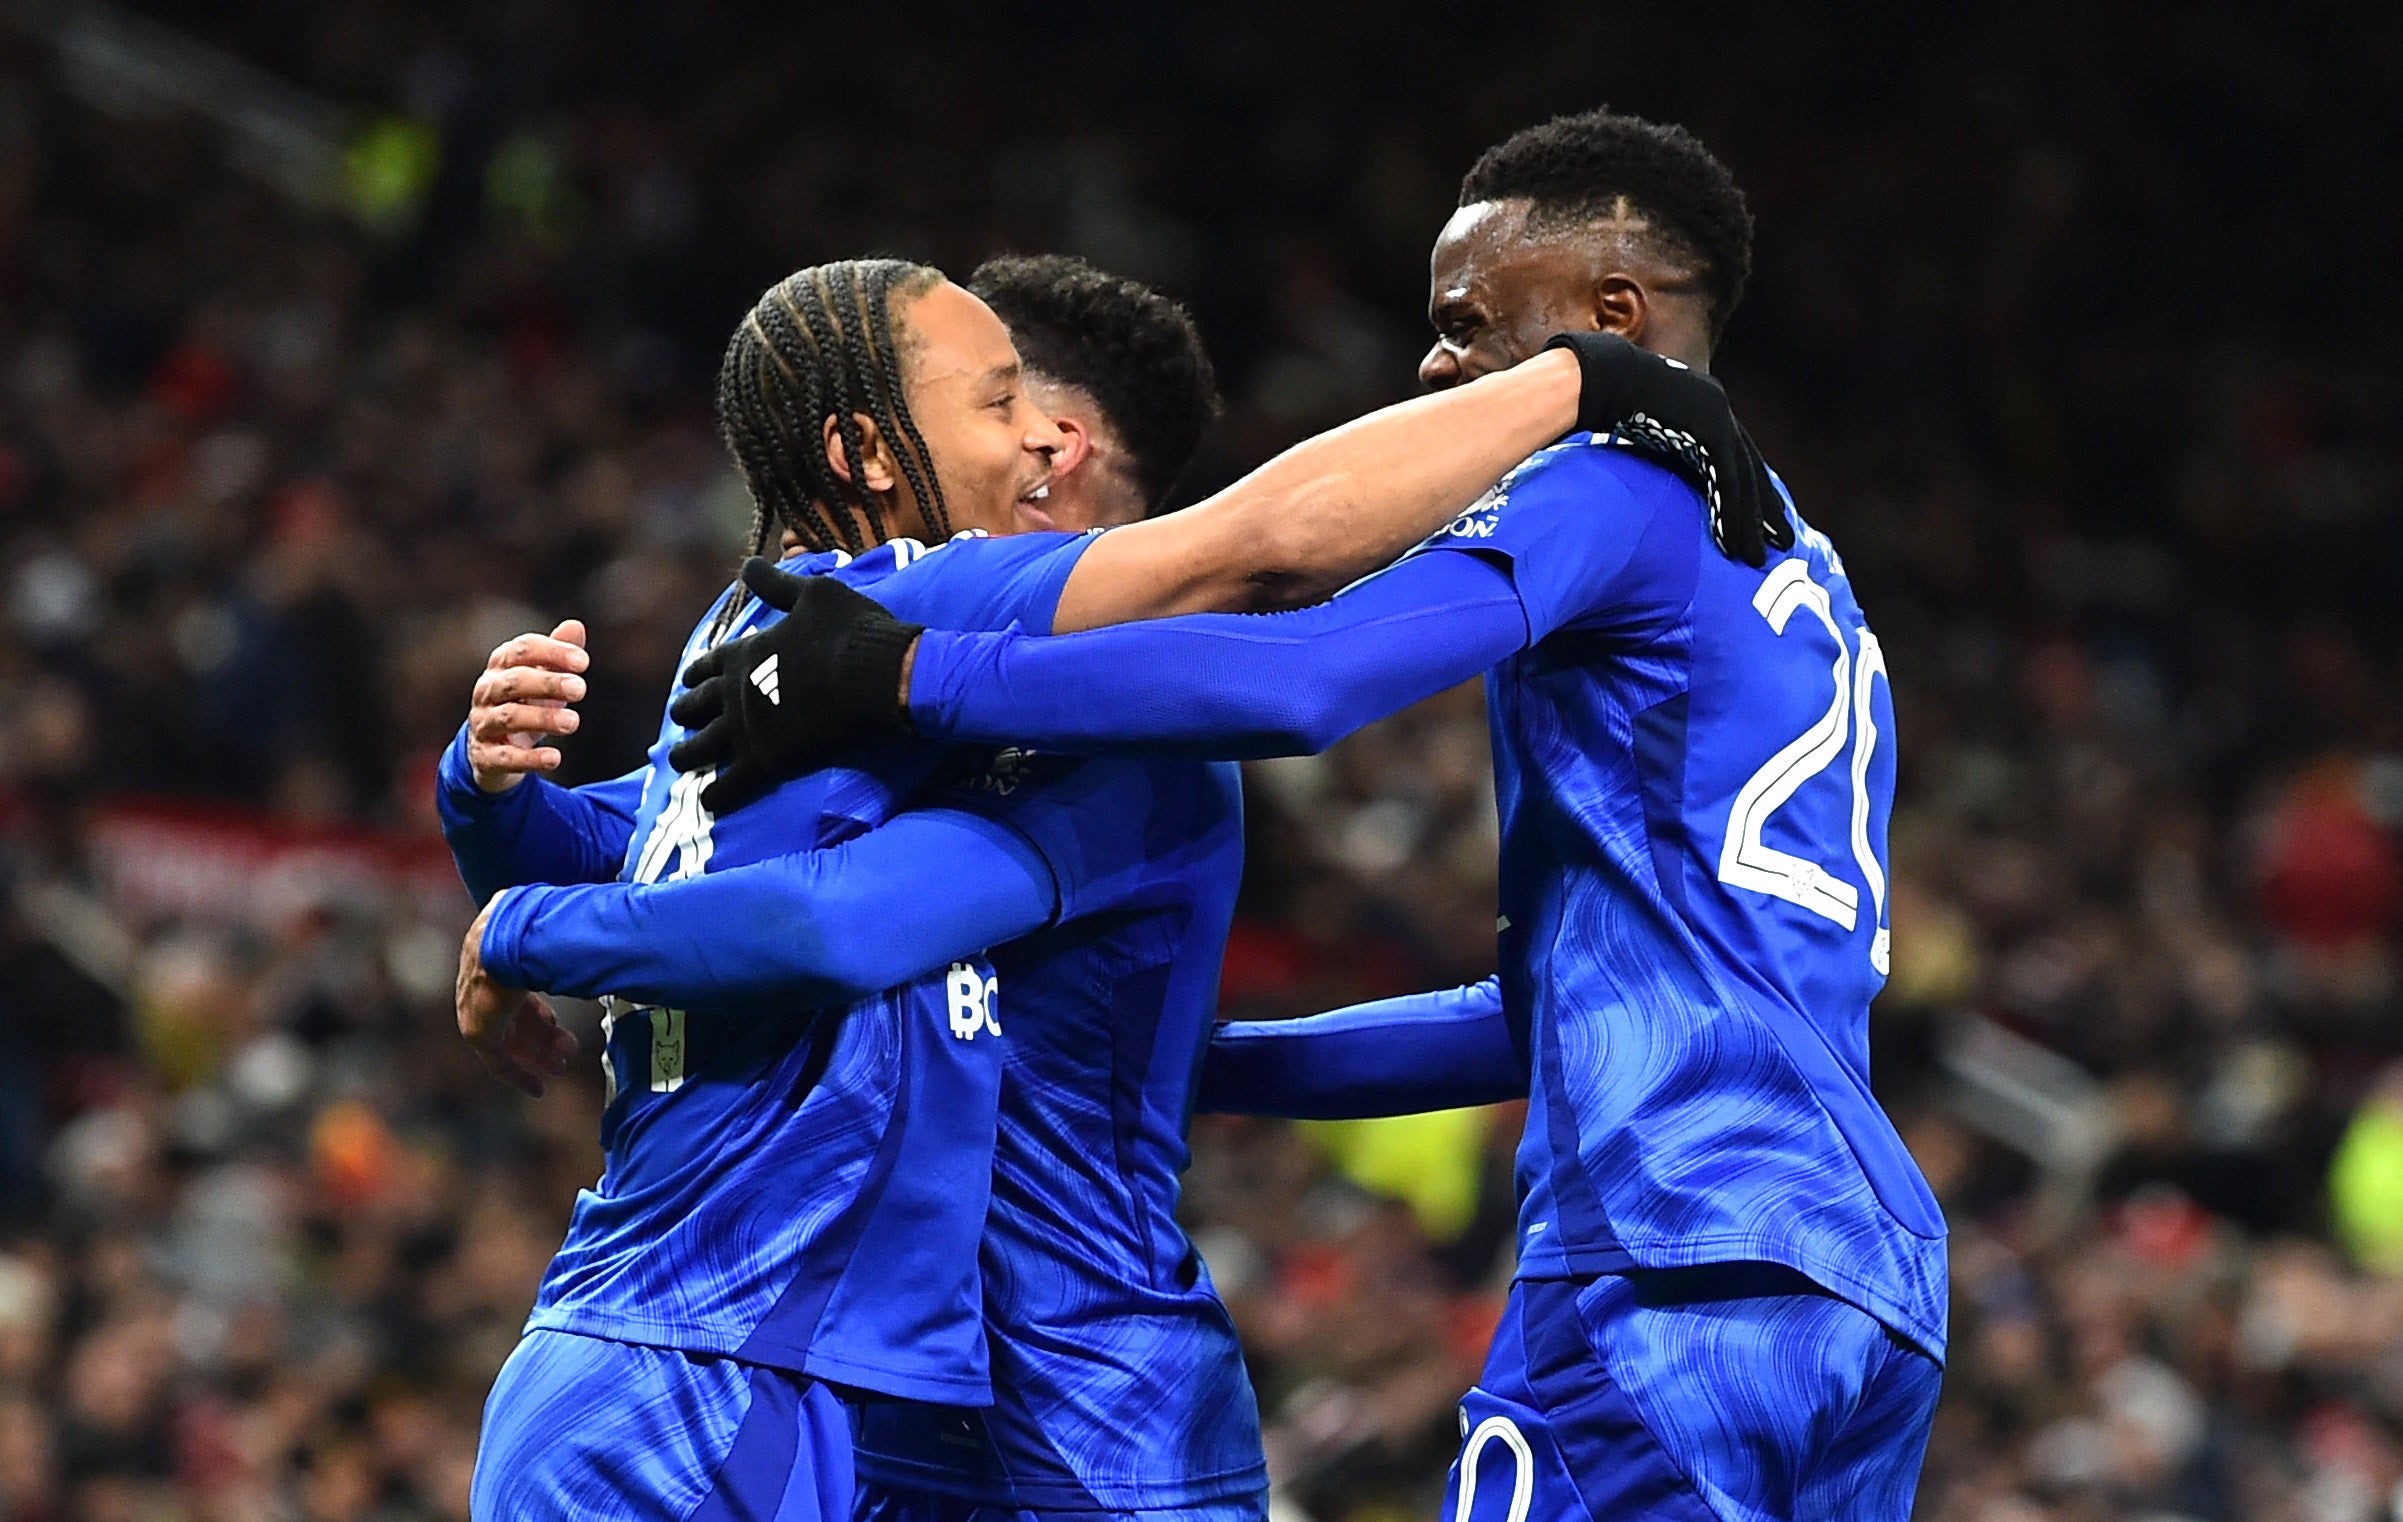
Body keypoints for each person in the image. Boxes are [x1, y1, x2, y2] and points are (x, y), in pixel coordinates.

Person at [672, 110, 1947, 1522]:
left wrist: (913, 672)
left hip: (1665, 1249)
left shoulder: (1614, 485)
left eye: (1471, 324)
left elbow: (1308, 674)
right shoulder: (1806, 577)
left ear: (1611, 316)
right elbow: (1540, 1014)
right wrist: (1196, 1069)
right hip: (1862, 1278)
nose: (1438, 363)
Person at [443, 255, 1747, 1518]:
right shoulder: (810, 658)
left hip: (1079, 1428)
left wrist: (1582, 387)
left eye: (1033, 412)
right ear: (875, 446)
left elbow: (838, 911)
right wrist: (493, 800)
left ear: (1078, 460)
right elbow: (678, 857)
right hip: (843, 1390)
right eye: (993, 402)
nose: (1027, 448)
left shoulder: (1064, 714)